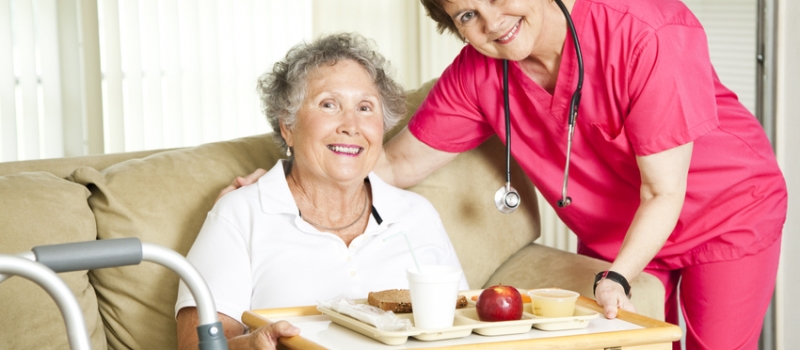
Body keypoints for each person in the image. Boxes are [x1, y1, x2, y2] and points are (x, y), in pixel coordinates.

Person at [222, 1, 787, 349]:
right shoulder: (477, 75)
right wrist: (291, 176)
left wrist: (615, 278)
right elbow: (392, 164)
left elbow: (664, 189)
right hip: (617, 226)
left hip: (725, 212)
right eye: (466, 13)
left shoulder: (647, 30)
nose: (492, 22)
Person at [175, 32, 468, 350]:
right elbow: (196, 345)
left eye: (366, 108)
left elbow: (464, 323)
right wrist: (250, 345)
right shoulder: (240, 213)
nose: (351, 125)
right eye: (329, 105)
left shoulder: (417, 214)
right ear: (288, 126)